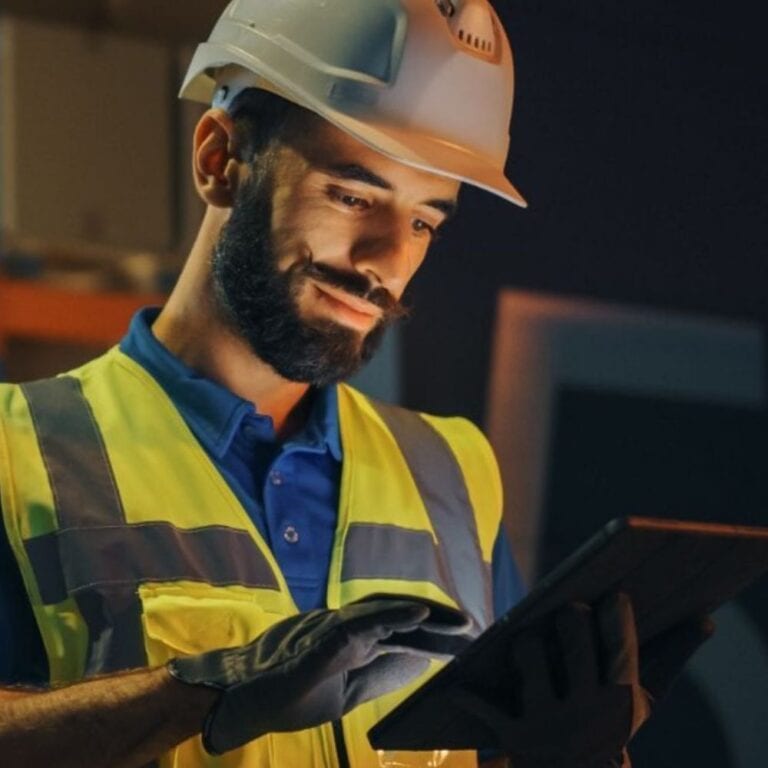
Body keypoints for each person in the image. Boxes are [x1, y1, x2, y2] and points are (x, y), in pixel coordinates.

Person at [0, 2, 709, 767]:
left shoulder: (455, 476)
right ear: (220, 158)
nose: (389, 261)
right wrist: (189, 699)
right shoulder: (18, 452)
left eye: (424, 222)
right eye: (353, 196)